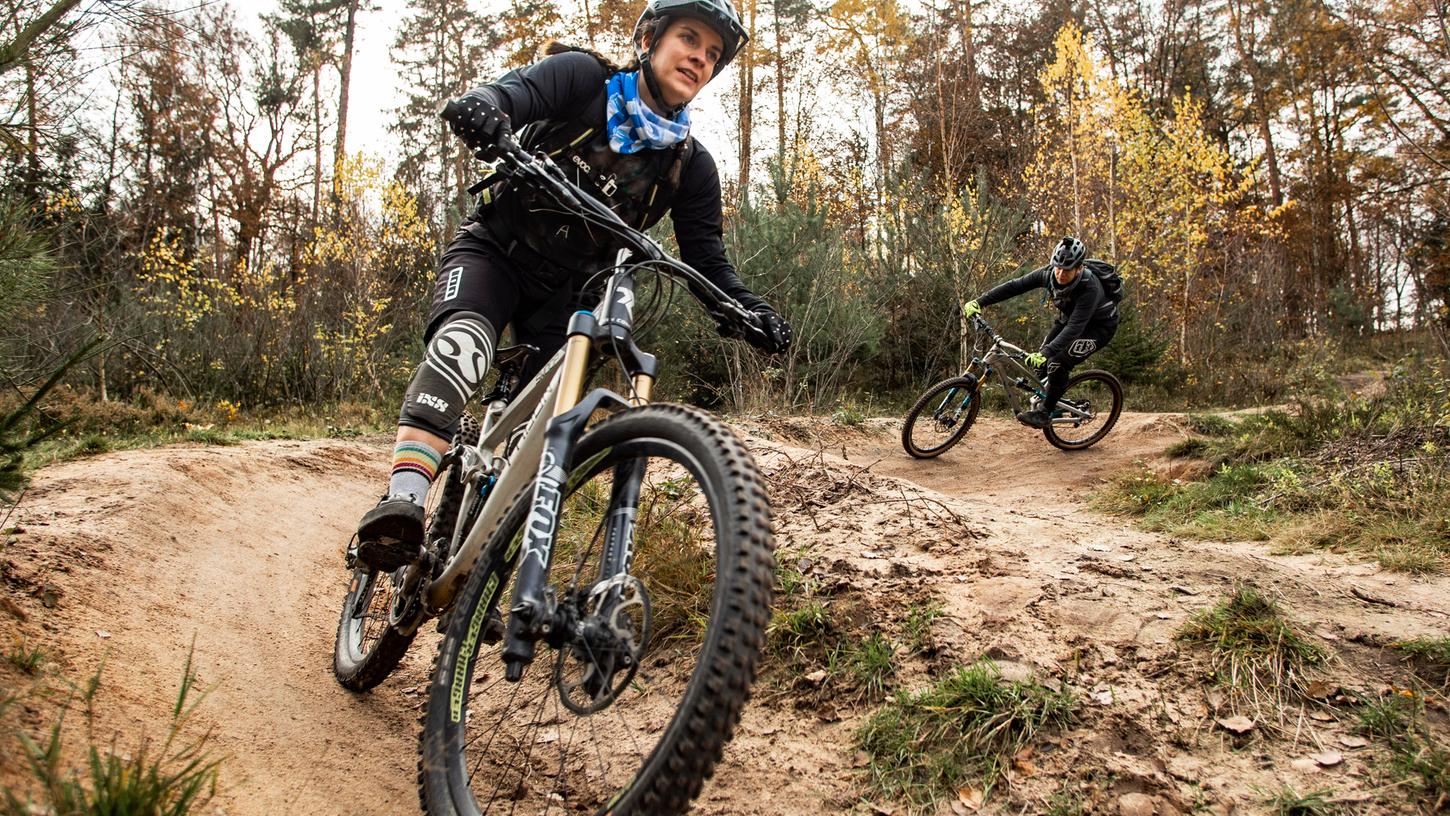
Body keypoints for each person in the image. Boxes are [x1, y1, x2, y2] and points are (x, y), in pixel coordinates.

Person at [353, 0, 792, 572]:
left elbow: (709, 261)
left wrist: (749, 311)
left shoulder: (691, 166)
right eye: (689, 39)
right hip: (498, 250)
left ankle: (482, 568)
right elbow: (511, 95)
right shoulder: (582, 78)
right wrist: (484, 110)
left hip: (571, 296)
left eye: (712, 55)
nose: (700, 59)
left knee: (541, 433)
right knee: (464, 345)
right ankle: (403, 504)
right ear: (649, 40)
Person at [961, 236, 1120, 429]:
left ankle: (1045, 412)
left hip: (1098, 328)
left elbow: (1075, 328)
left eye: (1067, 269)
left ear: (1079, 268)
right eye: (1057, 267)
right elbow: (1015, 286)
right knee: (1040, 364)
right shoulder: (1048, 274)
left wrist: (1047, 354)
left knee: (1056, 362)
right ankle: (1053, 396)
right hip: (1070, 320)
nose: (1060, 273)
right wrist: (980, 301)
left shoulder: (1090, 287)